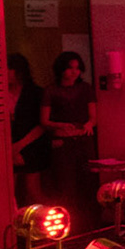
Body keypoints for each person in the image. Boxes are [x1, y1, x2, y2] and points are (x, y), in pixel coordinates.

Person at [41, 50, 97, 220]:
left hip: (83, 139)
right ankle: (69, 218)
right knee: (66, 183)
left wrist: (89, 124)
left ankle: (89, 217)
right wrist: (61, 125)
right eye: (70, 68)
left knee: (87, 179)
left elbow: (93, 116)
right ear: (61, 69)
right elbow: (44, 120)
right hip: (63, 141)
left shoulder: (85, 88)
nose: (74, 72)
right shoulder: (51, 90)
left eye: (77, 68)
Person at [7, 54, 49, 204]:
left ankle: (44, 216)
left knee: (32, 190)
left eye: (9, 69)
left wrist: (18, 146)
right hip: (8, 145)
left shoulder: (35, 93)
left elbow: (42, 124)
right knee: (8, 192)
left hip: (31, 145)